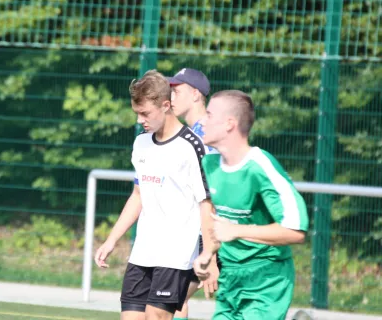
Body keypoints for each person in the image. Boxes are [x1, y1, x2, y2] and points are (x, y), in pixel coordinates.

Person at [94, 70, 217, 320]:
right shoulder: (141, 143)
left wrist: (210, 254)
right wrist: (111, 240)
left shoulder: (192, 146)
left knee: (156, 316)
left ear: (166, 105)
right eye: (137, 113)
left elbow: (206, 204)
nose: (140, 120)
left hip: (177, 254)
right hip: (144, 250)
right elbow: (138, 195)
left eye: (145, 113)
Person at [193, 90, 309, 320]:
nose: (202, 121)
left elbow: (296, 231)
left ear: (229, 124)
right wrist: (208, 253)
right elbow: (217, 218)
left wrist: (237, 231)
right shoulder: (210, 164)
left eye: (208, 114)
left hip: (266, 277)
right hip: (231, 278)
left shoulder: (261, 167)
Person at [167, 68, 219, 320]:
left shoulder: (207, 134)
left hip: (209, 237)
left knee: (167, 301)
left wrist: (211, 250)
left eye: (177, 91)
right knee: (172, 302)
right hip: (196, 235)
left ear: (196, 94)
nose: (171, 97)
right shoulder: (191, 133)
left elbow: (214, 194)